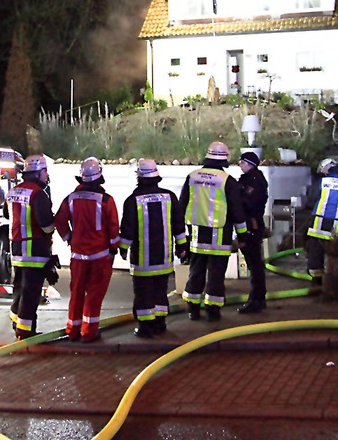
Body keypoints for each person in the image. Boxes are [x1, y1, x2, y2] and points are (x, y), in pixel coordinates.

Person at [179, 140, 248, 321]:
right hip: (220, 237)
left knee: (196, 272)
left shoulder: (192, 177)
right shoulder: (228, 181)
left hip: (196, 236)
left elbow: (182, 204)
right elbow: (237, 211)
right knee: (216, 275)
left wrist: (180, 237)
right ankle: (213, 310)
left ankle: (192, 309)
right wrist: (242, 235)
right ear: (224, 159)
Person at [53, 156, 120, 342]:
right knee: (94, 293)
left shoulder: (71, 199)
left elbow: (59, 220)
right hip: (100, 256)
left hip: (78, 256)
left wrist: (69, 238)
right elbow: (114, 228)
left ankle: (73, 329)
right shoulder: (106, 200)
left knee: (76, 292)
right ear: (99, 177)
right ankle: (89, 332)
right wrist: (115, 248)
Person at [119, 158, 187, 337]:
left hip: (142, 261)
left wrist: (123, 249)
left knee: (143, 294)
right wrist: (182, 247)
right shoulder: (170, 197)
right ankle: (160, 323)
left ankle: (145, 328)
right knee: (160, 292)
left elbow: (127, 228)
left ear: (139, 177)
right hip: (164, 259)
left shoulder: (132, 201)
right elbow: (178, 225)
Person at [7, 154, 56, 340]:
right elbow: (46, 226)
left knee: (20, 289)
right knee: (31, 294)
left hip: (17, 251)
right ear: (38, 173)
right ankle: (26, 332)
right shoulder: (38, 194)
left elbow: (8, 215)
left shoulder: (12, 192)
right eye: (45, 171)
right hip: (34, 252)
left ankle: (17, 323)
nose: (47, 175)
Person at [304, 158, 338, 282]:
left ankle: (316, 280)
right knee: (334, 249)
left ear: (326, 168)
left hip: (319, 220)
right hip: (337, 222)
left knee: (315, 248)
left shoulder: (322, 181)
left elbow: (311, 199)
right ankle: (334, 277)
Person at [236, 150, 269, 313]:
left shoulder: (255, 182)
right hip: (249, 225)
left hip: (252, 226)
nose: (240, 165)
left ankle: (257, 299)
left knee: (255, 264)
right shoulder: (250, 180)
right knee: (253, 264)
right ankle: (257, 298)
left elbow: (249, 204)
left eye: (242, 163)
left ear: (250, 164)